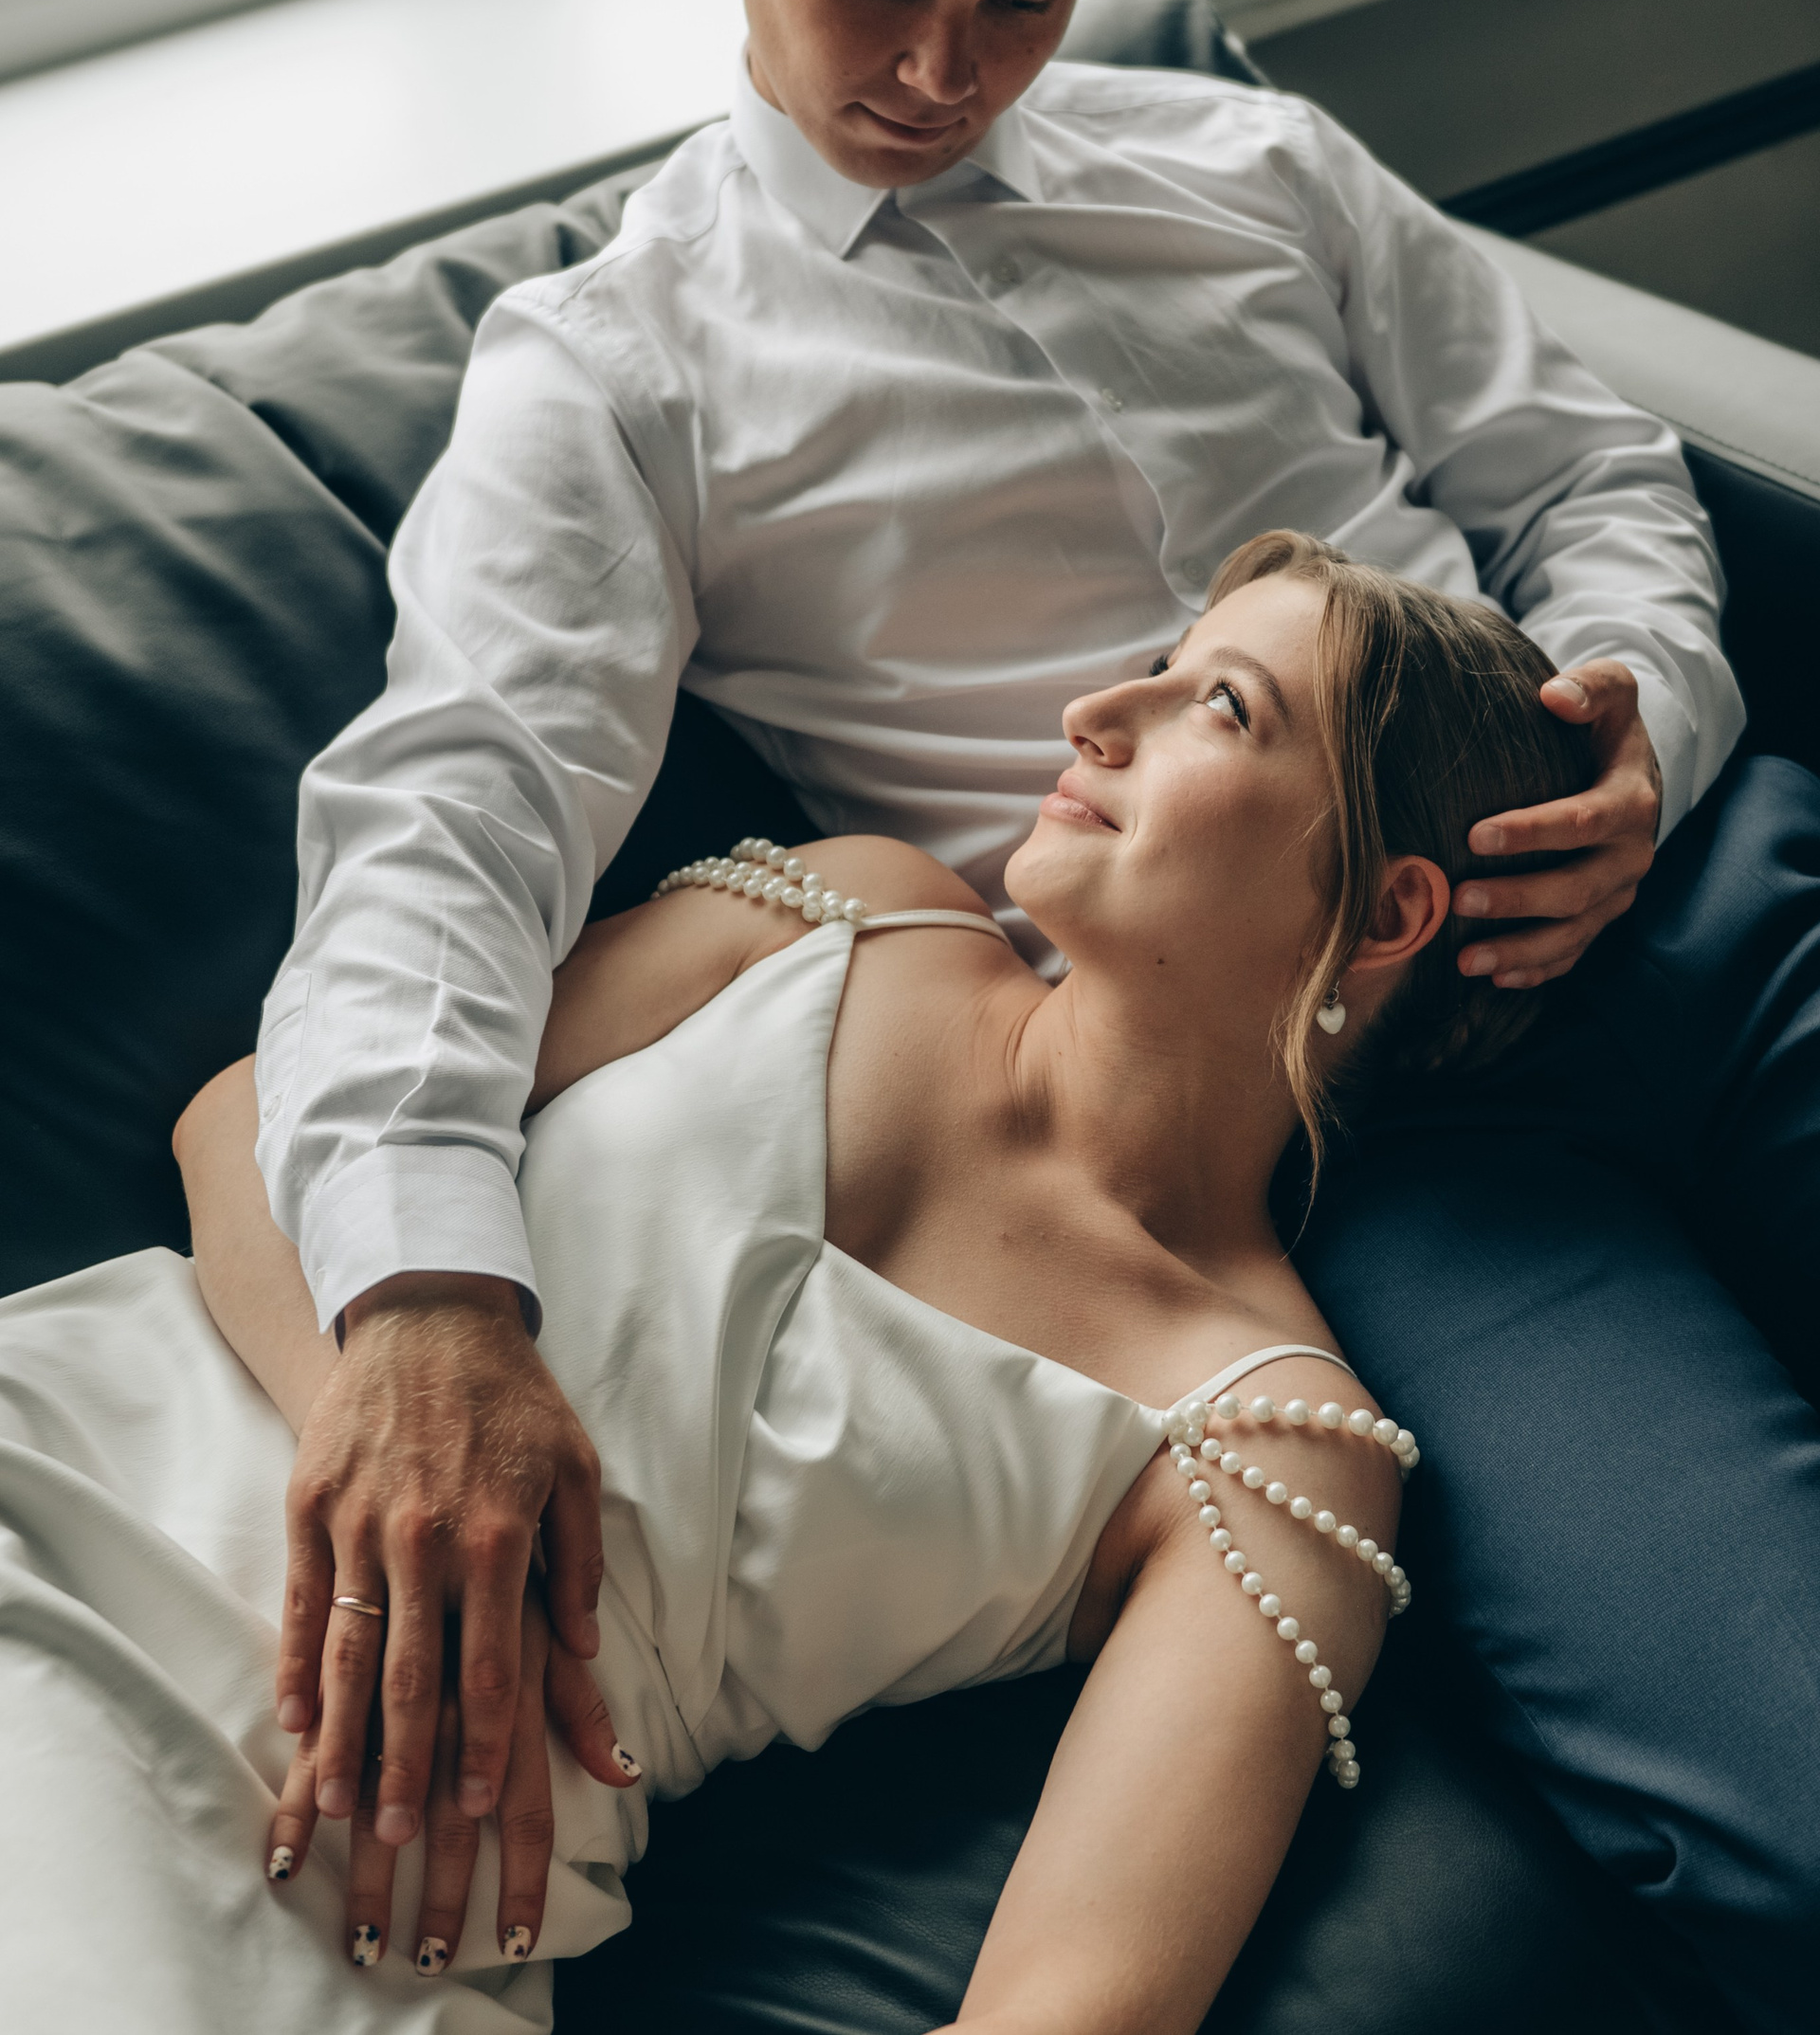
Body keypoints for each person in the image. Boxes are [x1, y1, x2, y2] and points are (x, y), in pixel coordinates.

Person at [246, 0, 1820, 2023]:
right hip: (1385, 1137)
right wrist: (425, 1289)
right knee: (1789, 1810)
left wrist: (1654, 717)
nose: (942, 70)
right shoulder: (622, 374)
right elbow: (452, 812)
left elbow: (1586, 466)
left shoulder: (1253, 163)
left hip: (1716, 892)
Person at [4, 538, 1591, 2026]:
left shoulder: (1271, 1449)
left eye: (1221, 708)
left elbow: (1069, 2012)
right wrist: (411, 1439)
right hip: (74, 1513)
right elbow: (246, 1119)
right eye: (1157, 664)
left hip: (380, 1909)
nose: (1101, 714)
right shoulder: (857, 911)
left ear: (1387, 910)